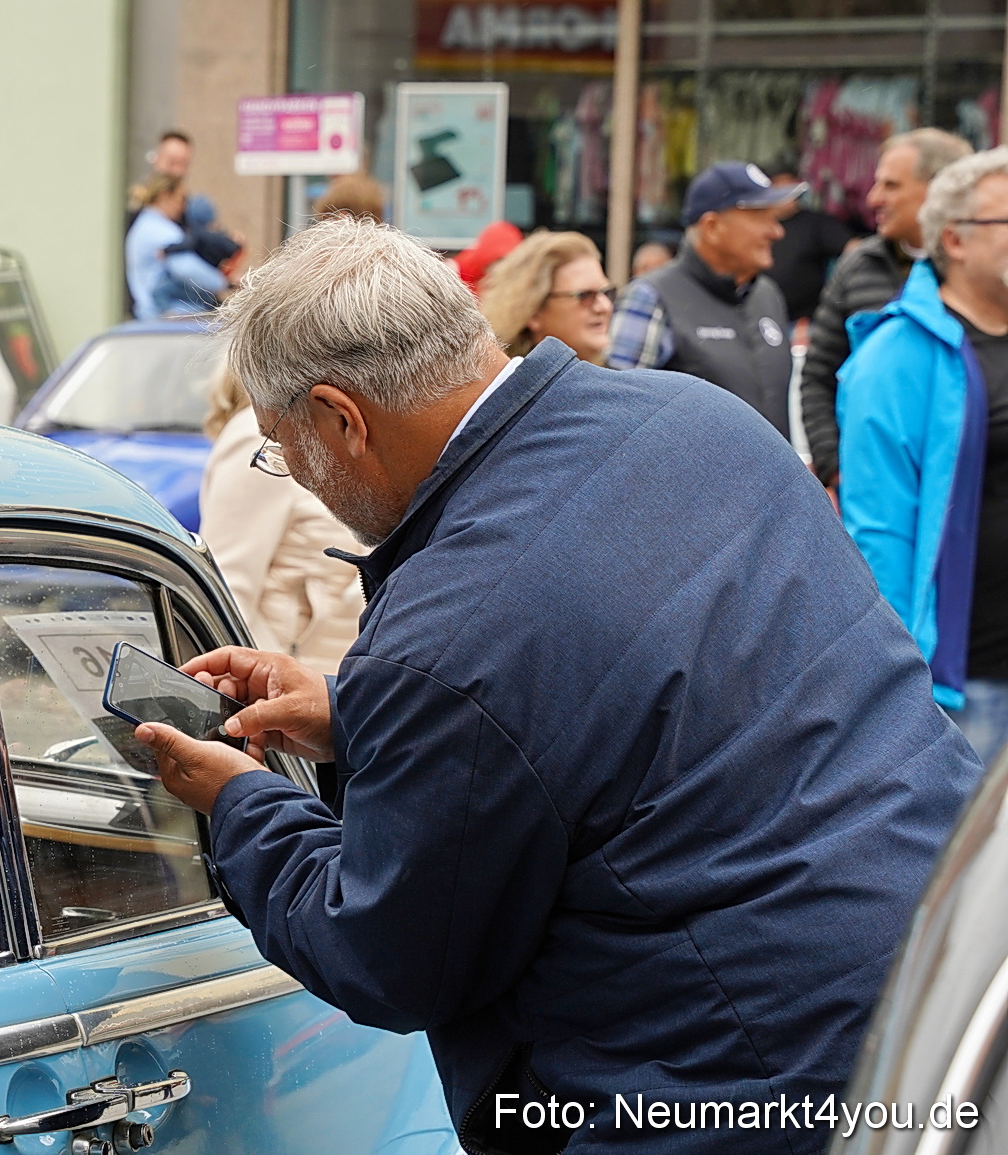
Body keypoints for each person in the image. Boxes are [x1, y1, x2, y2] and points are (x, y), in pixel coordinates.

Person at [129, 214, 979, 1154]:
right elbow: (648, 709)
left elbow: (393, 957)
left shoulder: (448, 636)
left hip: (717, 1084)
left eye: (282, 448)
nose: (293, 472)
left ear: (340, 417)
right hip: (937, 988)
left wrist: (240, 802)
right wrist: (357, 712)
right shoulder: (698, 418)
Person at [838, 147, 1008, 767]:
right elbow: (878, 534)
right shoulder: (899, 357)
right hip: (969, 682)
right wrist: (900, 688)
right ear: (955, 241)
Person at [803, 129, 974, 490]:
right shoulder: (857, 266)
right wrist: (835, 469)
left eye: (891, 185)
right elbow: (819, 375)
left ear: (938, 190)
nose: (873, 197)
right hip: (872, 488)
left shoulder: (977, 271)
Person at [608, 161, 800, 438]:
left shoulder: (767, 295)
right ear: (712, 226)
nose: (777, 232)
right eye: (761, 218)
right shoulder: (650, 297)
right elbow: (617, 420)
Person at [199, 368, 362, 675]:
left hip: (335, 682)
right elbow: (229, 584)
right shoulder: (259, 435)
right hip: (285, 682)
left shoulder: (334, 424)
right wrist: (263, 683)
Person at [478, 230, 614, 364]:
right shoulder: (506, 382)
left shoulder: (618, 382)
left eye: (606, 293)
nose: (604, 307)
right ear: (534, 311)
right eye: (584, 296)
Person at [762, 163, 858, 324]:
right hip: (760, 317)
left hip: (804, 323)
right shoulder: (756, 225)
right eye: (781, 187)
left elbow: (855, 249)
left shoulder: (816, 223)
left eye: (792, 187)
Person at [126, 175, 228, 321]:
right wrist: (222, 282)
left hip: (149, 314)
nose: (183, 207)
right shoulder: (163, 231)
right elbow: (185, 268)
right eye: (181, 199)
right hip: (172, 315)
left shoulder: (143, 226)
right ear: (165, 196)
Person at [312, 173, 385, 223]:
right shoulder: (388, 243)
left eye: (325, 220)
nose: (321, 228)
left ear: (342, 217)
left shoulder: (332, 244)